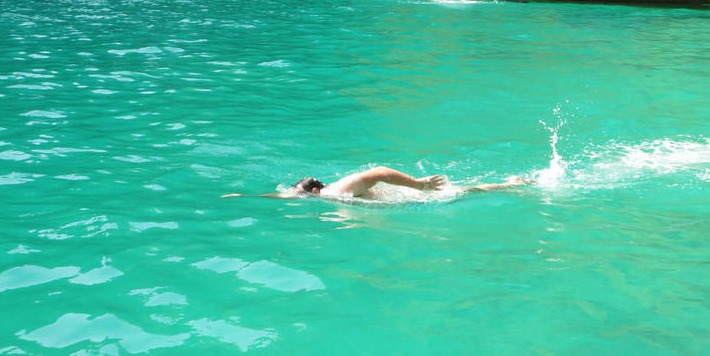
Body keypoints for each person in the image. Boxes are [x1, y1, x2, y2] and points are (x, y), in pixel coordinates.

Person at [221, 166, 531, 200]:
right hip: (403, 195)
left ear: (315, 190)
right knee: (467, 189)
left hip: (416, 196)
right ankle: (510, 183)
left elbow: (380, 170)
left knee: (464, 191)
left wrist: (419, 185)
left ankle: (513, 184)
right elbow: (287, 196)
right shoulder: (326, 194)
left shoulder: (336, 191)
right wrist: (246, 195)